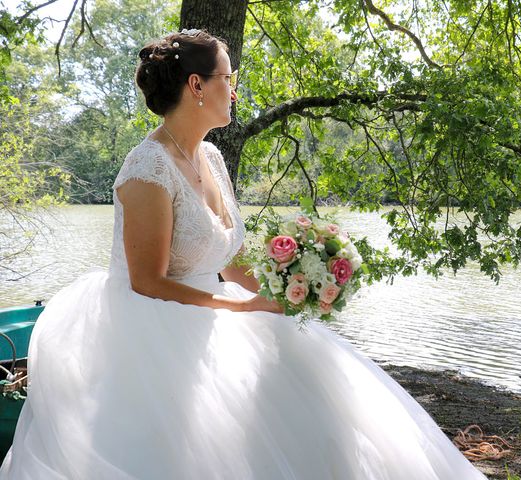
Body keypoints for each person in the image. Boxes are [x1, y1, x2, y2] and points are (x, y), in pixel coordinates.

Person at [0, 30, 488, 479]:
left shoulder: (210, 156)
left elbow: (225, 258)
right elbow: (147, 282)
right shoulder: (147, 168)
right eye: (227, 76)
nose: (233, 87)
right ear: (197, 85)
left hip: (210, 307)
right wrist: (243, 307)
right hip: (150, 326)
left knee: (318, 393)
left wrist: (290, 291)